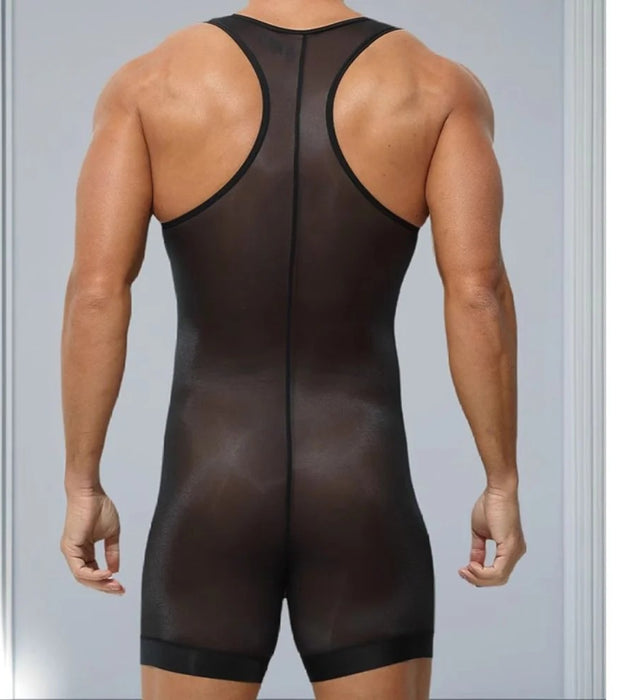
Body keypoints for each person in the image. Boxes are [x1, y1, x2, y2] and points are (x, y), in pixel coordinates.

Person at [59, 1, 527, 698]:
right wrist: (500, 482)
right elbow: (478, 293)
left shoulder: (151, 83)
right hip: (361, 481)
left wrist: (83, 484)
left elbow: (97, 294)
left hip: (210, 482)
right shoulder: (435, 86)